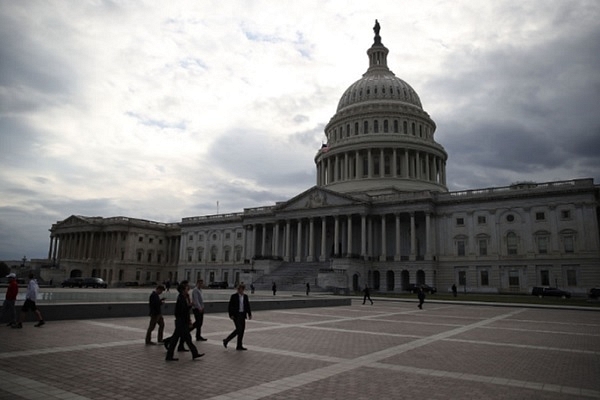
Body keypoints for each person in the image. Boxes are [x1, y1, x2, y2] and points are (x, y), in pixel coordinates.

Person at [165, 282, 204, 361]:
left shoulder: (183, 297)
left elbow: (184, 310)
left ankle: (194, 353)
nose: (188, 290)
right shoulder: (181, 298)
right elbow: (182, 310)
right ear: (183, 290)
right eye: (186, 289)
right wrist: (190, 305)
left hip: (182, 322)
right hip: (181, 322)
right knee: (177, 339)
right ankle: (169, 354)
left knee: (184, 339)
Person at [223, 283, 252, 351]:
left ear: (243, 289)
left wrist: (249, 314)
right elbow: (230, 306)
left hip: (242, 315)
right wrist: (231, 315)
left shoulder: (245, 296)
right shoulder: (234, 296)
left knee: (242, 330)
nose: (239, 290)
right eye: (238, 289)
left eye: (240, 289)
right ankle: (227, 340)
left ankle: (239, 345)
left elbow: (247, 305)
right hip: (236, 315)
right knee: (239, 329)